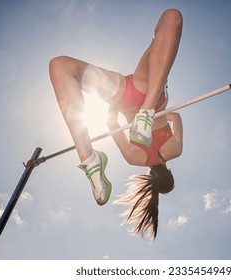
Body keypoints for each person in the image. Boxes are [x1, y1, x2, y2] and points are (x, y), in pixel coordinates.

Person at [49, 9, 183, 240]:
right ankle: (89, 158)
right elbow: (111, 123)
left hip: (146, 90)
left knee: (172, 18)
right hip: (123, 99)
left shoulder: (174, 151)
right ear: (151, 178)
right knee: (61, 66)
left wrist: (159, 116)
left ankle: (147, 111)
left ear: (170, 172)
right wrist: (118, 107)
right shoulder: (134, 158)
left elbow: (176, 117)